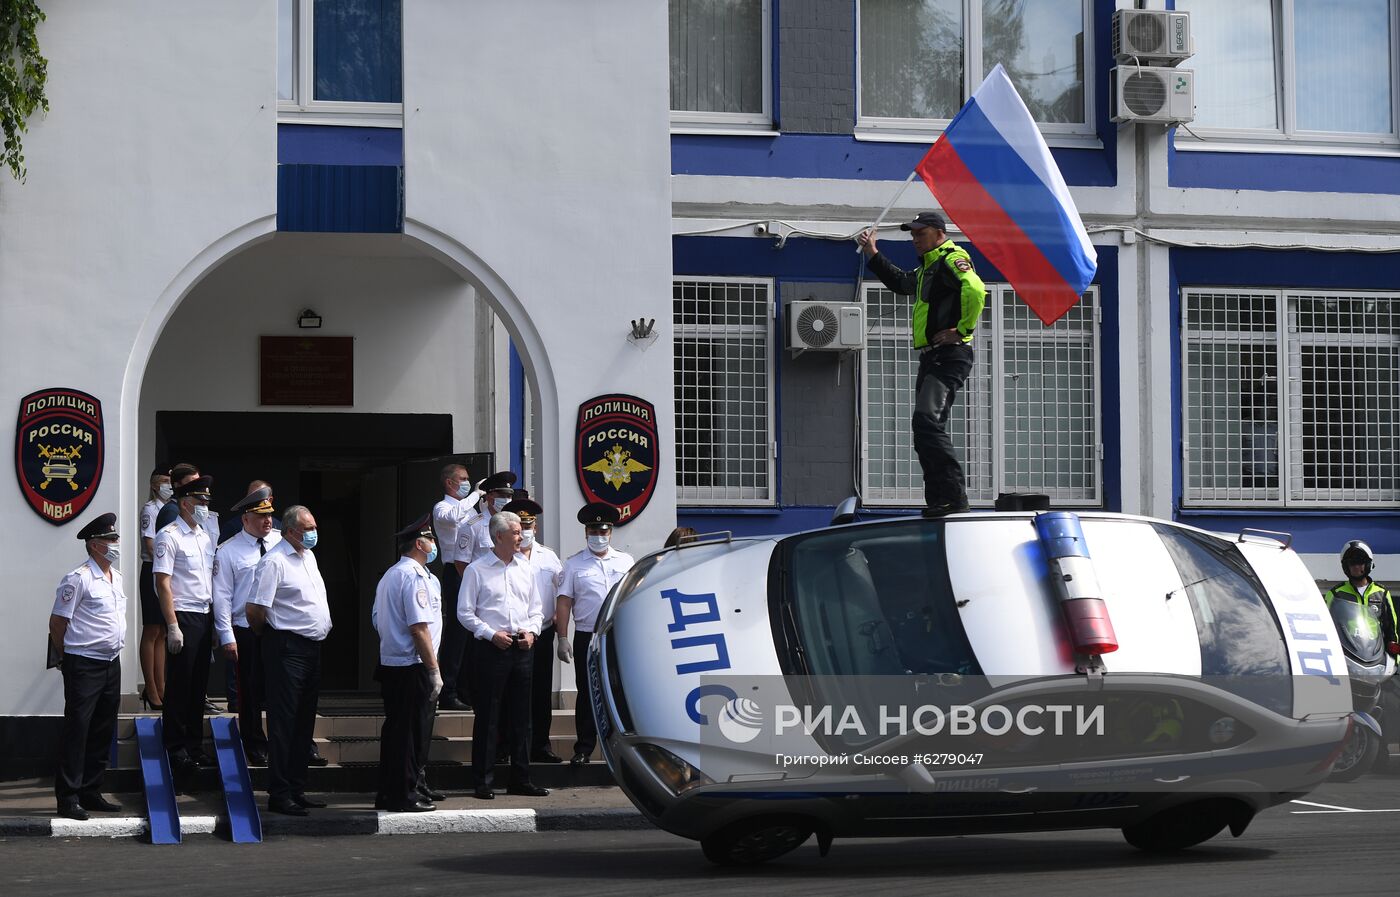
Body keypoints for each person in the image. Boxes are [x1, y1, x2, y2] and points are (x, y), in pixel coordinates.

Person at [858, 211, 987, 517]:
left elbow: (976, 289)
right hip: (932, 356)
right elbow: (903, 283)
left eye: (920, 233)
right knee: (923, 427)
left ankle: (955, 499)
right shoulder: (928, 267)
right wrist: (872, 253)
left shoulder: (951, 258)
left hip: (950, 356)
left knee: (928, 422)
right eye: (913, 235)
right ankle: (939, 501)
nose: (915, 240)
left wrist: (963, 330)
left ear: (939, 232)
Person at [248, 504, 333, 816]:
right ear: (290, 531)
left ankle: (297, 787)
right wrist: (273, 639)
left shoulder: (307, 555)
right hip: (286, 647)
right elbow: (256, 610)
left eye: (313, 527)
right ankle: (280, 792)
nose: (312, 534)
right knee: (284, 723)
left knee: (303, 723)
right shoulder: (274, 561)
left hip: (312, 648)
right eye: (307, 529)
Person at [458, 510, 548, 800]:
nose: (521, 537)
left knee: (522, 716)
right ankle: (483, 781)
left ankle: (521, 778)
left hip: (522, 647)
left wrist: (533, 631)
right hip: (491, 648)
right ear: (499, 536)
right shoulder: (477, 569)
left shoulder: (526, 568)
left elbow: (537, 608)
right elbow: (465, 613)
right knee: (489, 715)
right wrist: (489, 633)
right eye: (516, 532)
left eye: (521, 532)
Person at [49, 513, 127, 820]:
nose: (115, 544)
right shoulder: (78, 578)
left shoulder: (115, 577)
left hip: (111, 662)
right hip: (84, 663)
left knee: (102, 729)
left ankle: (91, 790)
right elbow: (58, 622)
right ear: (95, 546)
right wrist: (66, 658)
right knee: (78, 729)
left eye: (115, 539)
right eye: (110, 540)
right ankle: (68, 797)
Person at [371, 514, 443, 812]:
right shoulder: (412, 577)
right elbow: (419, 628)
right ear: (419, 543)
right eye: (431, 539)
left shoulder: (392, 574)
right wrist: (434, 670)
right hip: (412, 665)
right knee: (408, 734)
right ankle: (404, 794)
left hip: (394, 663)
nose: (434, 544)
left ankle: (390, 791)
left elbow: (377, 619)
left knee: (398, 731)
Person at [555, 502, 634, 766]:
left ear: (610, 532)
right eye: (593, 531)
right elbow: (564, 601)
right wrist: (563, 637)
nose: (598, 536)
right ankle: (584, 749)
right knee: (588, 692)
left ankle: (621, 748)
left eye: (603, 531)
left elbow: (631, 596)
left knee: (618, 690)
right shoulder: (574, 564)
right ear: (586, 533)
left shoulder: (625, 561)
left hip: (618, 635)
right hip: (587, 636)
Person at [211, 487, 281, 765]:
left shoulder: (280, 542)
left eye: (269, 515)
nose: (267, 521)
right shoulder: (228, 551)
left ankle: (285, 740)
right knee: (249, 691)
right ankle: (254, 742)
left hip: (278, 626)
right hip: (246, 629)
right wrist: (227, 636)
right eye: (260, 516)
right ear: (245, 519)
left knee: (281, 689)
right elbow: (222, 596)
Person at [153, 475, 217, 773]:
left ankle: (194, 744)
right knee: (180, 685)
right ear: (185, 503)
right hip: (184, 614)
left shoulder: (203, 536)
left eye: (206, 501)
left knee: (198, 687)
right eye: (200, 501)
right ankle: (174, 746)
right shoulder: (170, 535)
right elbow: (163, 584)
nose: (205, 506)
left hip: (204, 613)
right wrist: (172, 625)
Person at [503, 492, 565, 763]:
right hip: (513, 634)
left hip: (542, 632)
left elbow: (562, 595)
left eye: (529, 525)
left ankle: (540, 745)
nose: (524, 531)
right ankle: (509, 747)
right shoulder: (504, 557)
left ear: (535, 527)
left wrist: (562, 633)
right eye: (520, 526)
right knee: (512, 693)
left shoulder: (549, 558)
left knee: (540, 692)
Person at [431, 463, 484, 711]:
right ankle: (448, 691)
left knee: (473, 633)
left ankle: (466, 689)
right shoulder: (442, 507)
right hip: (455, 571)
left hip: (474, 570)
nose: (466, 482)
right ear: (449, 483)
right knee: (456, 632)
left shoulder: (471, 510)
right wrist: (475, 494)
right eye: (462, 479)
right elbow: (453, 518)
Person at [1325, 540, 1399, 657]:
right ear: (1346, 566)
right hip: (1347, 654)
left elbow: (1391, 628)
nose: (1356, 567)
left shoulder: (1381, 592)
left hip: (1376, 654)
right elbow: (1327, 626)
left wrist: (1394, 658)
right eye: (1352, 563)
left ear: (1368, 564)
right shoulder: (1336, 593)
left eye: (1360, 562)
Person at [138, 467, 172, 711]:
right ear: (154, 485)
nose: (168, 486)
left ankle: (162, 686)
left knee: (162, 631)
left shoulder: (172, 508)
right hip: (152, 571)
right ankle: (150, 687)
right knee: (151, 630)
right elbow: (150, 544)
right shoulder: (151, 509)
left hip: (166, 574)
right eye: (164, 482)